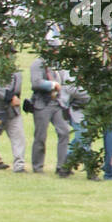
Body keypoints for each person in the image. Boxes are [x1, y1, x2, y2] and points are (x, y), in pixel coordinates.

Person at [29, 40, 70, 174]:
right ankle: (38, 167)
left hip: (57, 103)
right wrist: (52, 85)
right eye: (55, 49)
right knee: (41, 136)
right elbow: (36, 83)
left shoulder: (57, 65)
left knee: (64, 131)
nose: (57, 52)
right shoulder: (38, 64)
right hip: (42, 103)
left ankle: (62, 166)